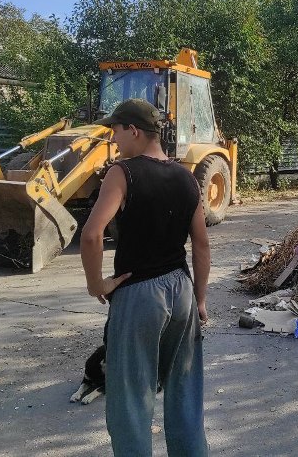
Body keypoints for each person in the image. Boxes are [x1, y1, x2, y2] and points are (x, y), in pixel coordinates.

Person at [81, 98, 210, 457]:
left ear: (133, 130)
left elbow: (91, 235)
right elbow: (201, 245)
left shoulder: (122, 173)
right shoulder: (187, 176)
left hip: (139, 294)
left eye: (116, 131)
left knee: (131, 397)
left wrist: (97, 285)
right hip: (181, 290)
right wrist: (199, 299)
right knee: (185, 389)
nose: (114, 140)